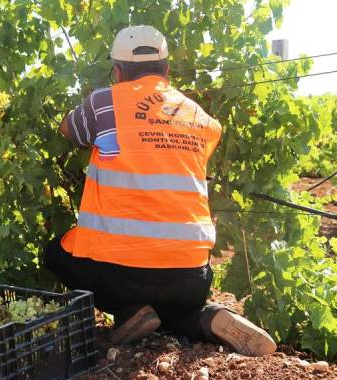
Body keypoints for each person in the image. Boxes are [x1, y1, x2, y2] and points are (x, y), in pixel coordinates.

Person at [44, 26, 276, 356]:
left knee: (55, 254)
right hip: (192, 274)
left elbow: (68, 129)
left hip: (118, 273)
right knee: (176, 311)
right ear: (166, 70)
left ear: (118, 70)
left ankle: (128, 311)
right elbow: (202, 141)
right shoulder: (200, 117)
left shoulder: (105, 102)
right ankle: (204, 318)